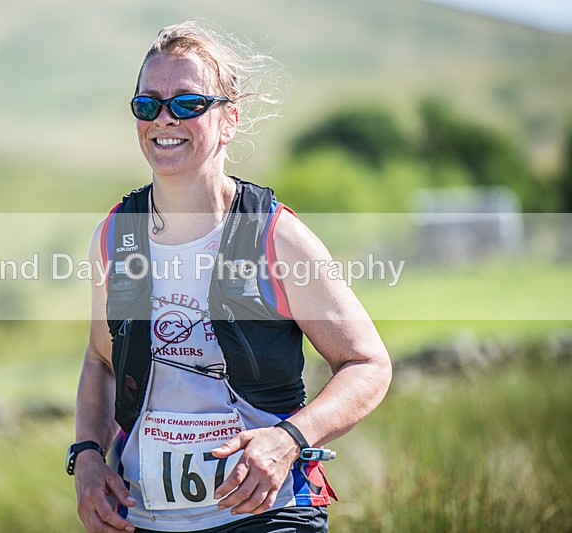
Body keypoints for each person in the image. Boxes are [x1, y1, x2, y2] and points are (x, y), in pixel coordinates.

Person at [68, 20, 392, 533]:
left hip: (269, 514)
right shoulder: (113, 237)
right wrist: (87, 458)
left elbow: (367, 364)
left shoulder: (276, 236)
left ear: (229, 120)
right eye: (147, 104)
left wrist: (289, 439)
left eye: (188, 103)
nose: (164, 118)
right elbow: (101, 363)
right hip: (144, 519)